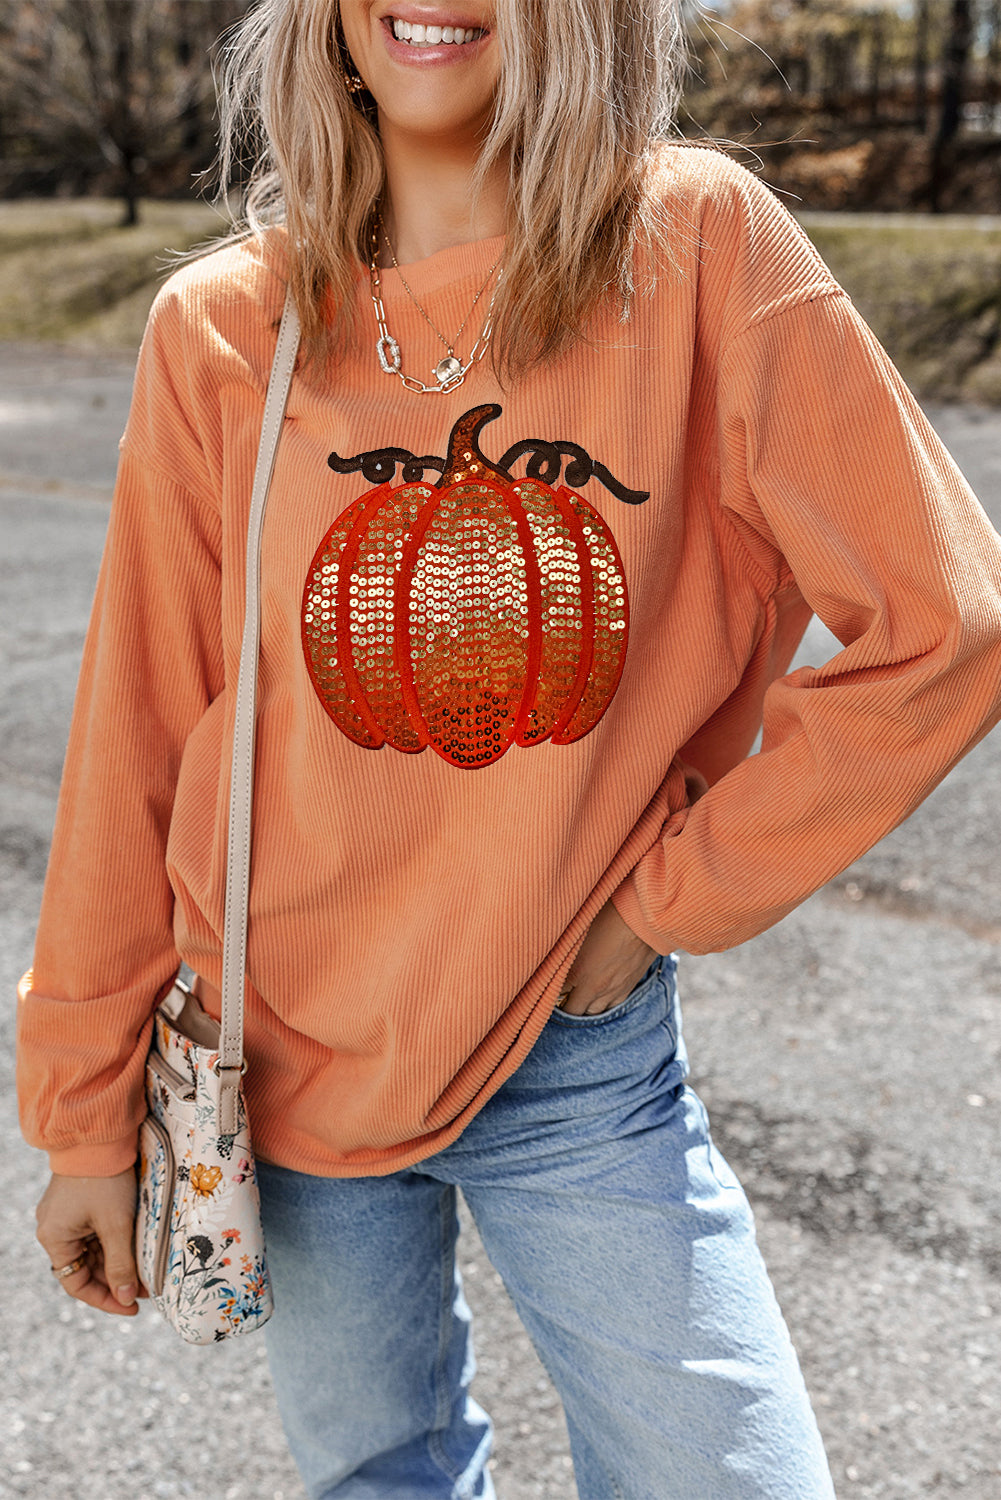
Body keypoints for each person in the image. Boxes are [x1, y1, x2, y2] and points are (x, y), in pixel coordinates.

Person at [17, 2, 1001, 1496]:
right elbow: (140, 730)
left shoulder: (692, 250)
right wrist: (81, 1105)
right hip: (279, 1052)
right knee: (380, 1477)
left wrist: (660, 902)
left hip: (571, 1058)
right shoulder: (225, 325)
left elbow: (945, 627)